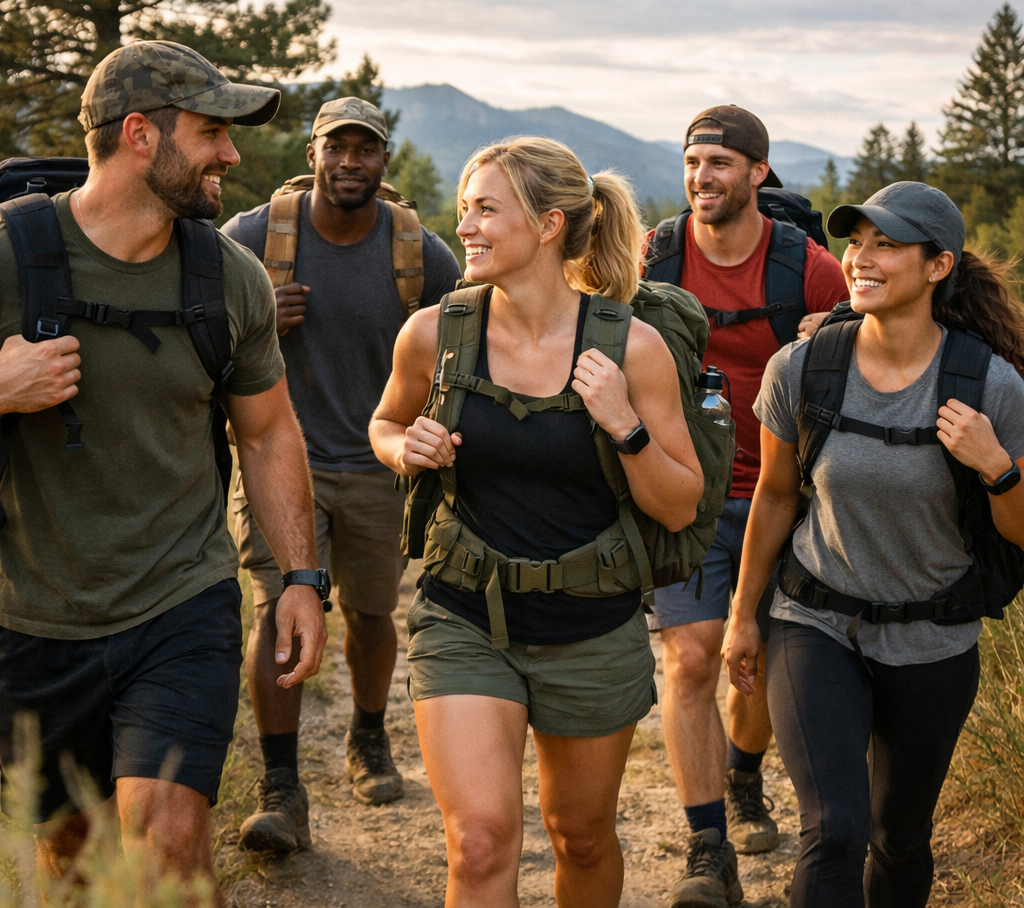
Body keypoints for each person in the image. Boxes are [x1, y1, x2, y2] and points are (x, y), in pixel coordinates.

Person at [0, 42, 328, 900]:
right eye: (213, 131)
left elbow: (266, 434)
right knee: (74, 860)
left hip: (180, 599)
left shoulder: (231, 278)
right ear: (140, 135)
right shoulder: (5, 256)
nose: (230, 153)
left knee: (170, 849)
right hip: (29, 612)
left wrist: (299, 575)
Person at [369, 136, 704, 907]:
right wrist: (403, 445)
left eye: (487, 210)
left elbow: (680, 503)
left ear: (550, 225)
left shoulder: (633, 349)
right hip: (463, 615)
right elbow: (384, 423)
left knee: (579, 836)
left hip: (589, 626)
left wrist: (625, 425)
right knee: (481, 842)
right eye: (465, 210)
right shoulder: (434, 333)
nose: (467, 228)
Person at [723, 181, 1024, 907]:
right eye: (856, 241)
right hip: (814, 622)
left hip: (934, 642)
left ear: (938, 266)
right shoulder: (802, 369)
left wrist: (998, 468)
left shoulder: (992, 386)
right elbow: (775, 495)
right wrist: (742, 616)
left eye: (886, 244)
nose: (861, 258)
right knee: (834, 828)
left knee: (900, 837)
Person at [222, 97, 460, 848]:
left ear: (384, 160)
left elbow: (469, 350)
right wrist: (256, 315)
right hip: (279, 455)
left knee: (367, 613)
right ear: (313, 152)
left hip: (379, 465)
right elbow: (199, 338)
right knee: (278, 605)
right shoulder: (255, 239)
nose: (351, 162)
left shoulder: (421, 252)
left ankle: (367, 734)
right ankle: (281, 785)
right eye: (338, 148)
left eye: (366, 149)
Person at [644, 106, 848, 906]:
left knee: (752, 662)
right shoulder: (657, 256)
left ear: (758, 174)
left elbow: (877, 348)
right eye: (693, 161)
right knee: (690, 654)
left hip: (784, 495)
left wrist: (833, 333)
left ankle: (743, 772)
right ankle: (706, 846)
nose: (703, 177)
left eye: (721, 163)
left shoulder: (810, 267)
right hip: (686, 493)